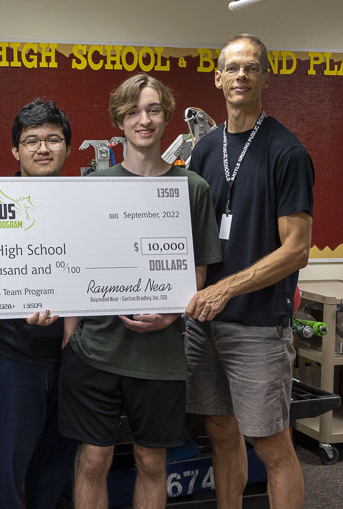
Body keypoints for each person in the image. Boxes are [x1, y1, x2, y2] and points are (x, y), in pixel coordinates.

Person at [59, 74, 222, 509]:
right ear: (119, 119)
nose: (143, 120)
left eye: (152, 110)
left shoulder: (193, 189)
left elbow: (199, 271)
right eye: (133, 111)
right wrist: (70, 334)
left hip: (160, 357)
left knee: (152, 461)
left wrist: (173, 314)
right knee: (93, 459)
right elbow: (74, 266)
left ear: (167, 116)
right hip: (96, 350)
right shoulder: (94, 185)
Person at [184, 34, 313, 509]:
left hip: (258, 324)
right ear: (217, 78)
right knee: (220, 431)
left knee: (272, 444)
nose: (241, 75)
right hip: (204, 324)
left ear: (265, 77)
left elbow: (296, 249)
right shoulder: (205, 149)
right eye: (232, 68)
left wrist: (226, 288)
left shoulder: (287, 152)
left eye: (251, 68)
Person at [0, 98, 77, 509]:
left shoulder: (88, 202)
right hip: (10, 353)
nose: (42, 148)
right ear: (15, 151)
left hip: (72, 355)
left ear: (67, 147)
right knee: (5, 471)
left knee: (55, 470)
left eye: (53, 139)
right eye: (31, 140)